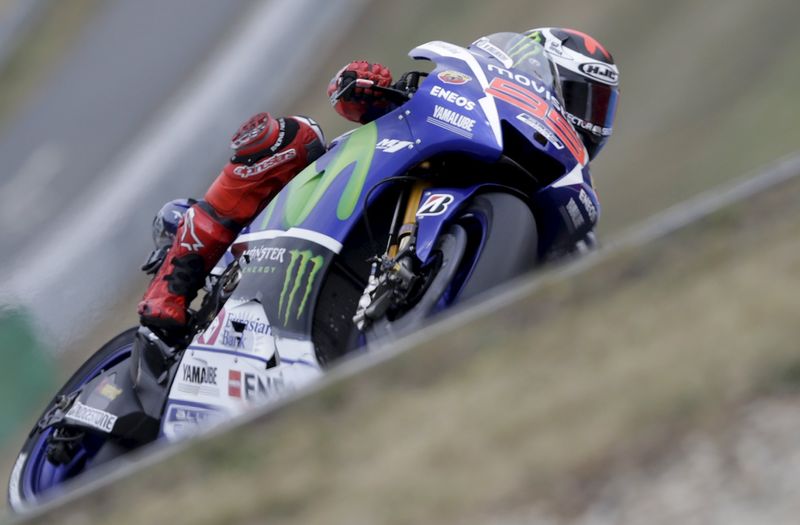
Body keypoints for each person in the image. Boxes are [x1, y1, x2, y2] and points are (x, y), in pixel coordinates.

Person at [138, 27, 619, 341]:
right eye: (582, 96)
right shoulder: (463, 98)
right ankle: (175, 283)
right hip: (322, 190)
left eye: (600, 108)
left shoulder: (571, 204)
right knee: (292, 138)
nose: (589, 118)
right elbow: (358, 100)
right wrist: (371, 86)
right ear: (540, 71)